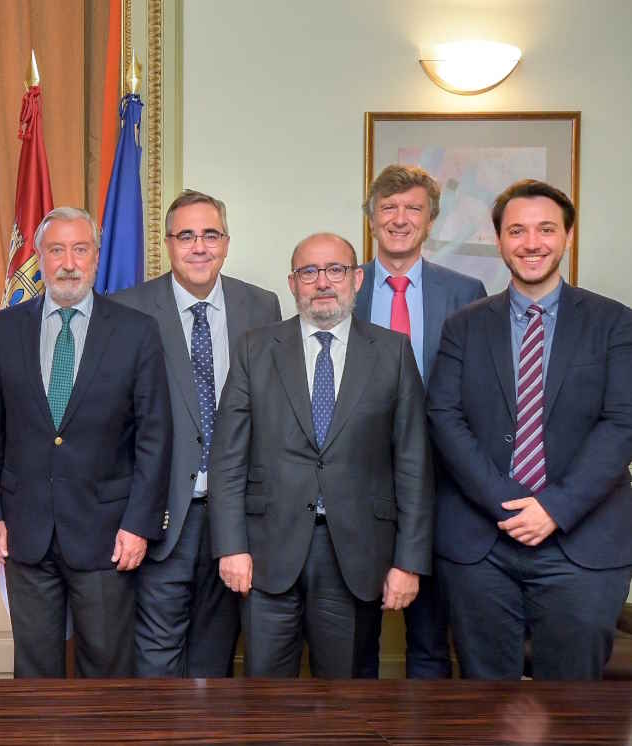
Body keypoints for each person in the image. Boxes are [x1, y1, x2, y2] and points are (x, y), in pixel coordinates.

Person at [428, 180, 632, 680]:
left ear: (567, 237)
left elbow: (622, 422)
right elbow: (444, 418)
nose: (531, 243)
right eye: (517, 231)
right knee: (484, 701)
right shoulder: (464, 326)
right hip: (482, 544)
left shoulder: (615, 323)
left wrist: (554, 508)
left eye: (546, 229)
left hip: (584, 542)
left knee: (574, 703)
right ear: (499, 241)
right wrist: (510, 505)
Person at [209, 232, 432, 678]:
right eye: (309, 272)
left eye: (335, 270)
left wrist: (409, 561)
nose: (323, 282)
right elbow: (227, 457)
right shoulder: (255, 348)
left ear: (357, 279)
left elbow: (413, 464)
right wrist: (230, 546)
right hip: (266, 554)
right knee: (267, 702)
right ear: (293, 283)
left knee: (348, 702)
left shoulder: (392, 352)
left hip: (356, 553)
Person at [0, 207, 172, 678]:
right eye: (56, 250)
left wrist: (139, 524)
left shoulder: (135, 330)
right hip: (26, 529)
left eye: (80, 249)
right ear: (38, 258)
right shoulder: (6, 327)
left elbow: (154, 436)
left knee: (105, 668)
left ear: (96, 257)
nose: (68, 262)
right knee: (35, 670)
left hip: (108, 532)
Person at [111, 189, 280, 677]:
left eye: (210, 234)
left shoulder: (261, 306)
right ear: (168, 243)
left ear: (226, 242)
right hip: (162, 516)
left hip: (238, 518)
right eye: (186, 236)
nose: (199, 246)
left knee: (216, 657)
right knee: (156, 659)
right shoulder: (130, 308)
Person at [352, 165, 486, 678]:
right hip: (358, 483)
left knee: (430, 638)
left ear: (430, 220)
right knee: (354, 638)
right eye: (388, 208)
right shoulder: (347, 287)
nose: (400, 219)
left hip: (441, 485)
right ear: (372, 220)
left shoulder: (466, 291)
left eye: (413, 208)